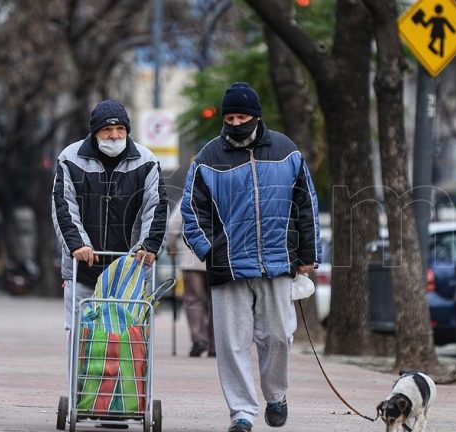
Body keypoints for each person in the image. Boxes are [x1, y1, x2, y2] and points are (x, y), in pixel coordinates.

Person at [181, 82, 322, 432]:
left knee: (279, 336)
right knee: (232, 345)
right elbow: (191, 211)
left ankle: (276, 394)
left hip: (278, 262)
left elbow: (306, 205)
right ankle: (242, 413)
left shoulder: (287, 151)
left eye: (242, 117)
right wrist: (209, 250)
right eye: (229, 118)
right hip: (228, 266)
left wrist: (308, 254)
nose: (235, 123)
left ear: (256, 117)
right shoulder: (208, 157)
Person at [52, 99, 169, 334]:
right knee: (82, 338)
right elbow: (63, 205)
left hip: (131, 270)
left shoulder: (146, 161)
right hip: (84, 268)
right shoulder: (70, 158)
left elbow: (156, 207)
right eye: (107, 129)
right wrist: (78, 245)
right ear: (95, 132)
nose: (114, 135)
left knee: (128, 339)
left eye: (120, 129)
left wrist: (148, 246)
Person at [166, 208, 215, 358]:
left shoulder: (189, 196)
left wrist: (171, 246)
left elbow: (173, 225)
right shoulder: (224, 194)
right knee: (217, 303)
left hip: (191, 259)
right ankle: (216, 344)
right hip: (217, 259)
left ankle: (199, 339)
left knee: (194, 300)